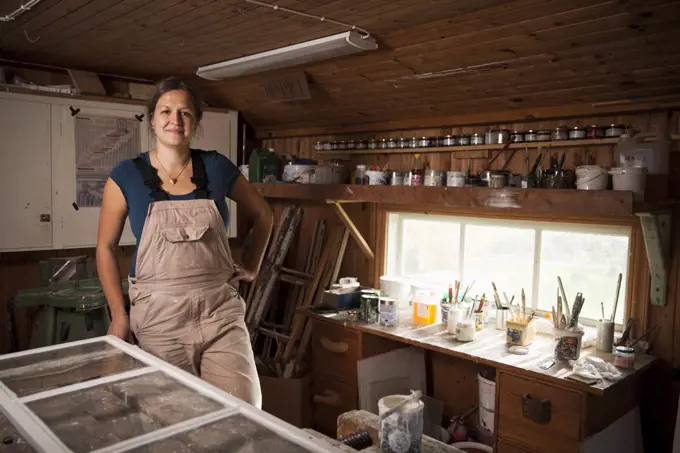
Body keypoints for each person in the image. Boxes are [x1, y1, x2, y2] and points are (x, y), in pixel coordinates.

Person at [96, 76, 273, 408]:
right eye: (165, 111)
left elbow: (264, 214)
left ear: (196, 120)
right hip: (158, 317)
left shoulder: (217, 167)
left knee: (244, 413)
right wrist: (120, 315)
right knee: (174, 420)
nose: (174, 121)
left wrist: (252, 267)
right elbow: (105, 248)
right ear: (152, 118)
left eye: (184, 113)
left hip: (220, 313)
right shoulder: (125, 175)